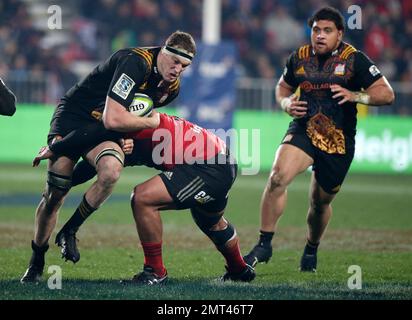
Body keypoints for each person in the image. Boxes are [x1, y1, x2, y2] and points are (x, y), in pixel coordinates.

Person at [20, 30, 197, 283]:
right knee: (56, 194)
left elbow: (125, 118)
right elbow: (114, 118)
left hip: (103, 127)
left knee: (112, 169)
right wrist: (60, 147)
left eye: (185, 66)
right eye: (176, 62)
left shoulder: (170, 89)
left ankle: (70, 229)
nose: (179, 70)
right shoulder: (135, 62)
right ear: (163, 51)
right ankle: (37, 258)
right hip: (74, 117)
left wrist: (126, 135)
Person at [244, 7, 395, 272]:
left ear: (339, 34)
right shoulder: (299, 57)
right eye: (316, 30)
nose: (320, 36)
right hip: (304, 128)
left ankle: (311, 247)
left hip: (337, 140)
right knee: (277, 176)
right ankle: (264, 244)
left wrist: (356, 96)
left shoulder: (354, 60)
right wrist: (286, 102)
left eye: (327, 31)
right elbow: (282, 87)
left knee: (319, 202)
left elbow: (387, 94)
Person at [32, 111, 256, 285]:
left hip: (208, 166)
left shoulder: (122, 124)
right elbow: (93, 169)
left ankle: (155, 272)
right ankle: (240, 270)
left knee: (142, 198)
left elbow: (92, 135)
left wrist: (57, 147)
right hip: (219, 159)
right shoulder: (127, 127)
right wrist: (59, 186)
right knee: (211, 222)